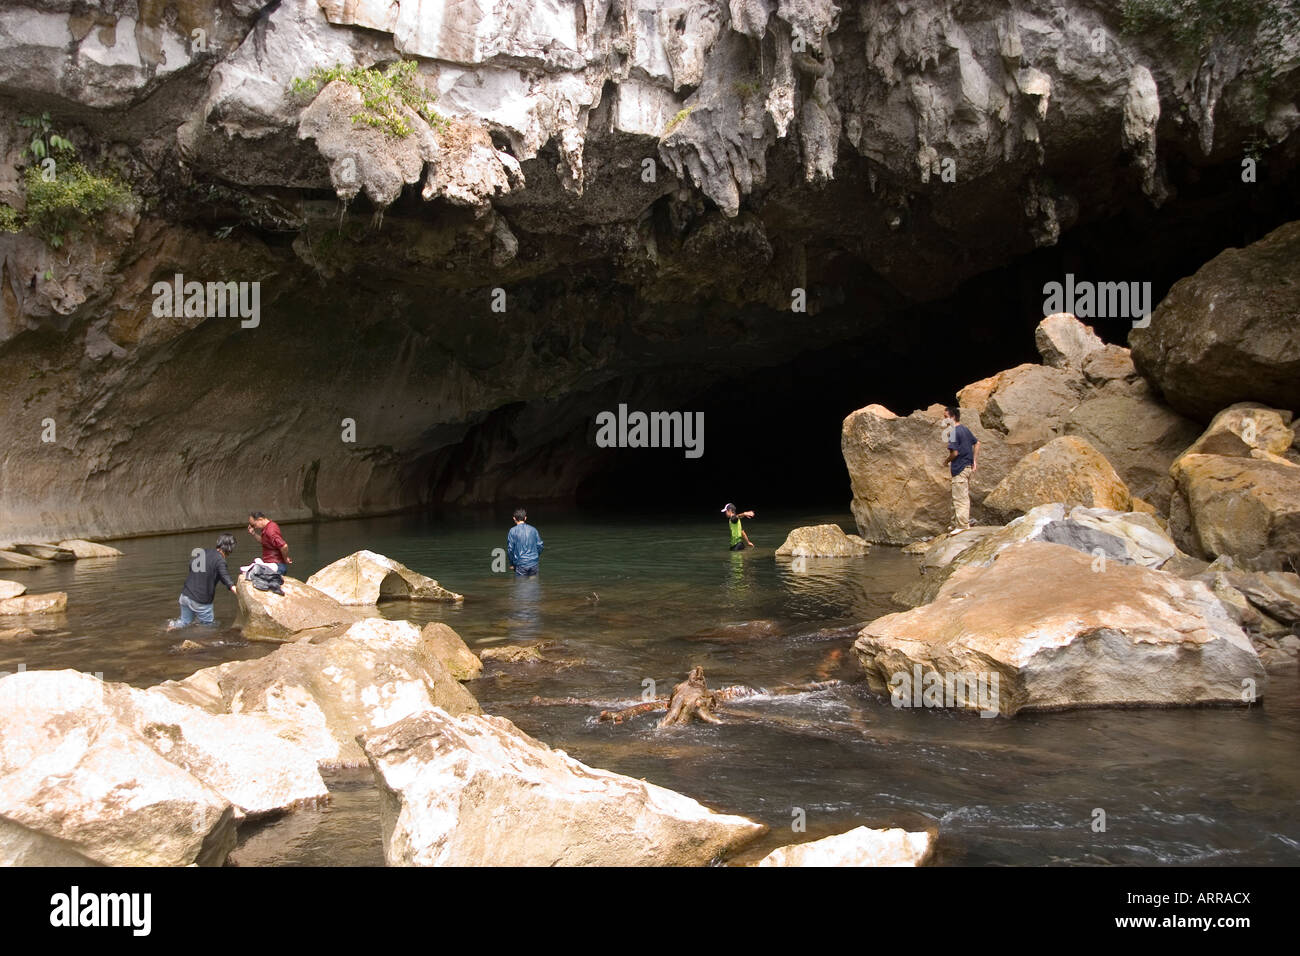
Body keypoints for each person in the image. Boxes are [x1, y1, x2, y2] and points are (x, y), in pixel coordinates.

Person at [168, 533, 237, 628]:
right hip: (200, 601)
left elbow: (191, 564)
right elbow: (224, 575)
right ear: (230, 548)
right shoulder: (220, 560)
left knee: (184, 622)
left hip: (185, 595)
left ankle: (170, 628)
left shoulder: (204, 552)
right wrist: (234, 588)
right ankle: (201, 641)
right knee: (208, 626)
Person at [944, 406, 979, 532]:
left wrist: (946, 461)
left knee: (960, 498)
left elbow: (955, 453)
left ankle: (962, 526)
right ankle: (955, 523)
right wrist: (974, 461)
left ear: (953, 417)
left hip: (960, 468)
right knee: (957, 496)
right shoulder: (964, 429)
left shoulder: (953, 431)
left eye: (946, 418)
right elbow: (977, 442)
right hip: (967, 467)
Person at [506, 507, 544, 576]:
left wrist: (512, 564)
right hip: (534, 563)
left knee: (521, 585)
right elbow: (540, 546)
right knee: (534, 584)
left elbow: (510, 549)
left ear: (514, 518)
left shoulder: (512, 531)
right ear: (525, 518)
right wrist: (534, 556)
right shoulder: (533, 530)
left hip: (521, 564)